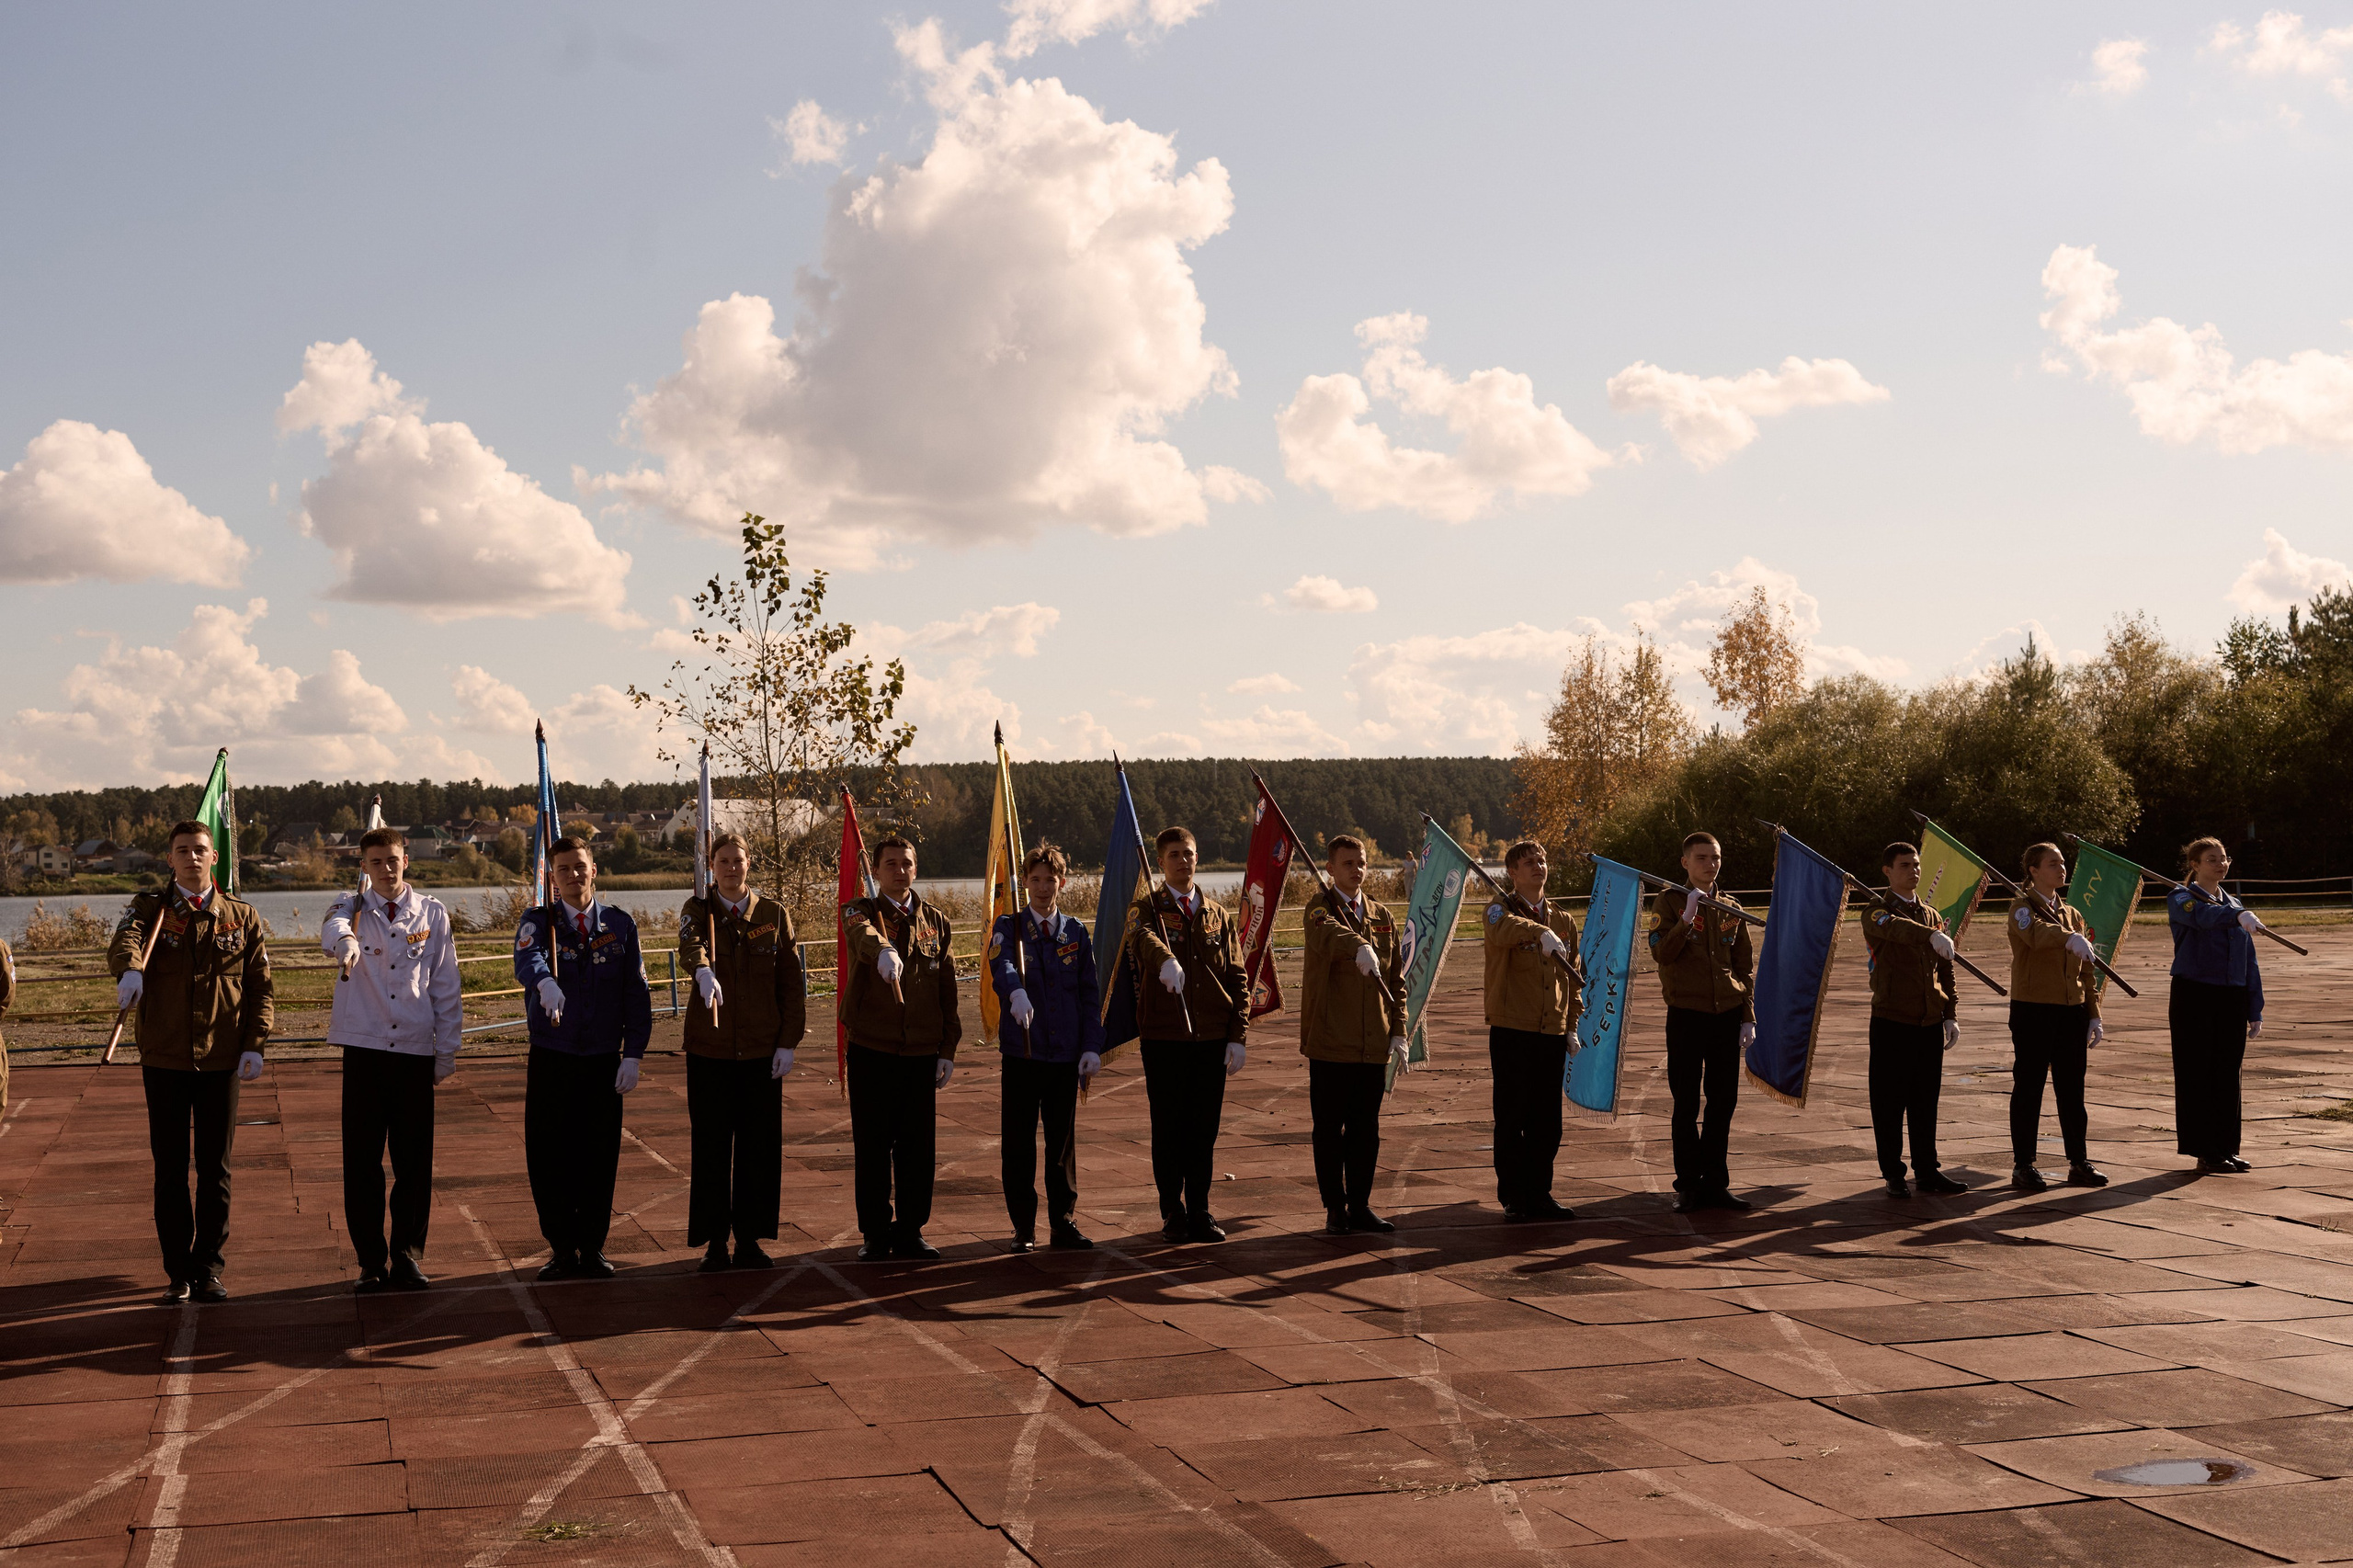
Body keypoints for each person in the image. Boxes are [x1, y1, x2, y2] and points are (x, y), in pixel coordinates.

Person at [108, 820, 273, 1303]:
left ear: (214, 856)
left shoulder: (241, 917)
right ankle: (177, 1268)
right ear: (170, 858)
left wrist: (254, 1043)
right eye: (182, 850)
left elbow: (260, 987)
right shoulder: (150, 909)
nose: (192, 857)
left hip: (222, 1057)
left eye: (200, 850)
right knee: (170, 1168)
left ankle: (208, 1267)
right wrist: (131, 969)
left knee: (215, 1169)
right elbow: (125, 941)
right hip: (166, 1058)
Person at [322, 827, 463, 1292]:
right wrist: (344, 943)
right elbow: (333, 927)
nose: (387, 868)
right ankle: (370, 1260)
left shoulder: (433, 913)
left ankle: (407, 1255)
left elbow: (445, 984)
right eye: (377, 861)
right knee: (362, 1162)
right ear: (363, 865)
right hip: (365, 1049)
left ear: (407, 861)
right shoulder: (351, 905)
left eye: (394, 859)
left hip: (415, 1051)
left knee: (413, 1162)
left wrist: (448, 1049)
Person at [512, 836, 652, 1279]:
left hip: (602, 1059)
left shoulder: (620, 924)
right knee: (549, 1154)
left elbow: (636, 992)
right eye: (563, 870)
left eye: (579, 867)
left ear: (594, 870)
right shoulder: (540, 921)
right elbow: (527, 957)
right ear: (551, 878)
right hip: (554, 1055)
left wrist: (635, 1054)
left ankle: (592, 1247)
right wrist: (544, 983)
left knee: (599, 1155)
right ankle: (561, 1248)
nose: (573, 876)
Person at [676, 831, 807, 1271]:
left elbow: (791, 983)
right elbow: (689, 943)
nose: (731, 868)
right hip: (710, 1052)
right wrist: (701, 970)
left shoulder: (773, 913)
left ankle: (749, 1239)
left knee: (759, 1151)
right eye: (723, 861)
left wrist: (789, 1041)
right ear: (711, 866)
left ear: (750, 864)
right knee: (711, 1148)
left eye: (739, 860)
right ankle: (715, 1241)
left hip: (759, 1053)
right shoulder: (699, 909)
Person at [839, 835, 961, 1263]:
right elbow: (862, 936)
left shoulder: (937, 922)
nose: (899, 871)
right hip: (872, 1048)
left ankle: (910, 1230)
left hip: (920, 1052)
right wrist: (883, 949)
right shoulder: (859, 912)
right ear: (875, 870)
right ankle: (875, 1232)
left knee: (917, 1148)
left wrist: (948, 1047)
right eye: (889, 864)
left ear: (916, 867)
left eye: (906, 863)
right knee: (872, 1145)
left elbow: (948, 991)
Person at [1128, 826, 1250, 1244]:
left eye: (1190, 854)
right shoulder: (1147, 909)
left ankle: (1199, 1209)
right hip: (1165, 1038)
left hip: (1211, 1037)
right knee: (1168, 1129)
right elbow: (1140, 939)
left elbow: (1237, 976)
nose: (1184, 861)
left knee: (1204, 1130)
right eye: (1175, 855)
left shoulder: (1217, 914)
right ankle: (1172, 1211)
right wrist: (1164, 959)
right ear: (1160, 862)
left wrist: (1238, 1034)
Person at [988, 841, 1103, 1253]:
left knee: (1062, 1144)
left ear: (1062, 882)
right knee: (1018, 1143)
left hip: (1065, 1055)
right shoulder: (1009, 926)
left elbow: (1090, 994)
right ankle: (1023, 1226)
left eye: (1049, 880)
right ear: (1025, 883)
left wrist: (1092, 1045)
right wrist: (1015, 990)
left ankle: (1064, 1221)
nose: (1042, 888)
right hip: (1024, 1053)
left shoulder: (1076, 932)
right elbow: (999, 964)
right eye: (1034, 880)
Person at [1300, 836, 1409, 1235]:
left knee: (1366, 1131)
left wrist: (1398, 1030)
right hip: (1331, 1042)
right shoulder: (1319, 909)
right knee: (1329, 1130)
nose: (1356, 869)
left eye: (1361, 863)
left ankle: (1360, 1204)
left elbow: (1397, 979)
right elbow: (1323, 935)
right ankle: (1335, 1207)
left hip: (1372, 1044)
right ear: (1330, 868)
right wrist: (1357, 943)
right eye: (1347, 863)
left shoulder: (1381, 915)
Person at [1647, 831, 1755, 1214]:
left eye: (1716, 857)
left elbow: (1743, 966)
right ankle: (1688, 1185)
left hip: (1725, 1014)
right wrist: (1687, 918)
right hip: (1687, 1015)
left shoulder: (1731, 906)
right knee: (1687, 1102)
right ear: (1685, 863)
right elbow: (1662, 953)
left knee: (1723, 1102)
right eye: (1702, 858)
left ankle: (1716, 1183)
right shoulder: (1670, 901)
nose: (1710, 865)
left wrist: (1747, 1016)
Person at [1482, 839, 1583, 1222]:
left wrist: (1571, 1026)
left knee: (1547, 1122)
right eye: (1528, 862)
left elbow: (1574, 980)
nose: (1538, 866)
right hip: (1513, 1029)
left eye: (1541, 859)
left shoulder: (1563, 920)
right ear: (1512, 872)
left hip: (1552, 1030)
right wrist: (1535, 932)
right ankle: (1513, 1196)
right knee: (1512, 1118)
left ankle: (1540, 1193)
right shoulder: (1499, 909)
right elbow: (1502, 930)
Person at [1861, 842, 1966, 1199]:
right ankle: (1893, 1172)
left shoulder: (1933, 915)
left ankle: (1927, 1170)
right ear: (1887, 871)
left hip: (1927, 1022)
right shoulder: (1876, 911)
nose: (1914, 870)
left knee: (1925, 1102)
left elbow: (1945, 969)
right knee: (1889, 1103)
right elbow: (1896, 930)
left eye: (1917, 864)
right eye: (1905, 865)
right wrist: (1931, 935)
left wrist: (1950, 1013)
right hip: (1893, 1020)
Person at [2006, 842, 2105, 1192]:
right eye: (2052, 864)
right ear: (2033, 870)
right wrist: (2068, 938)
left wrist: (2093, 1013)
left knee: (2072, 1091)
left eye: (2063, 863)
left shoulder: (2072, 914)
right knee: (2030, 1087)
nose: (2061, 869)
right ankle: (2023, 1165)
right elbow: (2032, 935)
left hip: (2071, 1010)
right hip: (2034, 1009)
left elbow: (2086, 970)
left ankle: (2078, 1161)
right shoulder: (2022, 907)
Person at [2167, 836, 2267, 1176]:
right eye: (2212, 859)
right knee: (2198, 1072)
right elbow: (2204, 918)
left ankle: (2226, 1146)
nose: (2221, 864)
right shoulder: (2181, 898)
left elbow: (2248, 961)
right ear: (2194, 865)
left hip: (2231, 996)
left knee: (2228, 1073)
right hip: (2195, 994)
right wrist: (2236, 915)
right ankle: (2205, 1149)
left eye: (2224, 858)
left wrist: (2255, 1007)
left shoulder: (2235, 904)